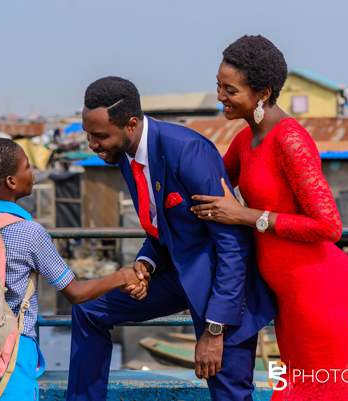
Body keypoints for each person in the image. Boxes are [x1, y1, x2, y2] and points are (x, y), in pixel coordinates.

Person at [67, 76, 277, 401]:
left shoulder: (187, 151)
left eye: (99, 136)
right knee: (90, 309)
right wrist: (144, 264)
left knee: (229, 394)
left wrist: (215, 329)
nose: (92, 144)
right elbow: (162, 227)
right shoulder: (126, 156)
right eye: (88, 134)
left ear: (131, 125)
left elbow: (233, 243)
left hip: (223, 286)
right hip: (181, 274)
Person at [190, 35, 348, 399]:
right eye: (218, 86)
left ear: (263, 93)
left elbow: (329, 226)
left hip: (319, 289)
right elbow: (210, 187)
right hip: (288, 295)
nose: (220, 96)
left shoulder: (291, 140)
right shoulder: (245, 140)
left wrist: (246, 216)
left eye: (230, 89)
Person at [0, 138, 147, 401]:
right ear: (11, 182)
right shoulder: (30, 232)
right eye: (27, 167)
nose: (32, 173)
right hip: (10, 353)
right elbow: (76, 293)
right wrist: (122, 276)